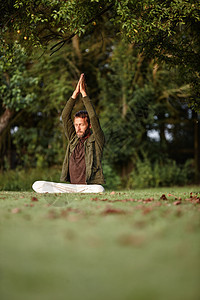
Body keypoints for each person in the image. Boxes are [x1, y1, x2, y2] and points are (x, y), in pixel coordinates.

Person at [32, 74, 105, 193]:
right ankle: (64, 191)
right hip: (71, 187)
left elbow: (93, 117)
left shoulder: (97, 139)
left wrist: (83, 94)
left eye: (81, 124)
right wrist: (75, 94)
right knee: (37, 184)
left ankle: (64, 193)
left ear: (89, 125)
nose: (78, 128)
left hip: (88, 186)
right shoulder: (73, 138)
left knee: (99, 189)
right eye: (76, 125)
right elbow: (65, 116)